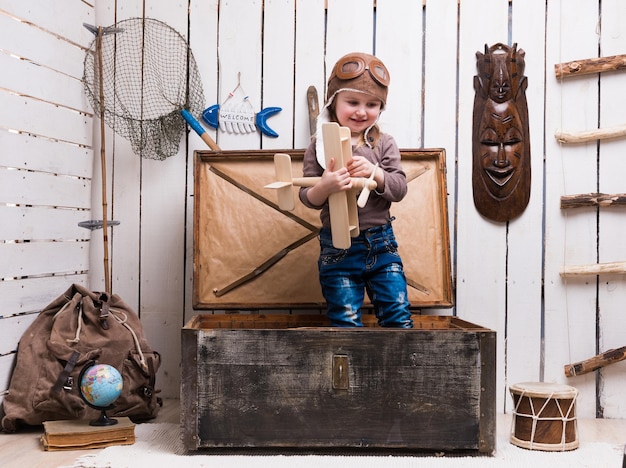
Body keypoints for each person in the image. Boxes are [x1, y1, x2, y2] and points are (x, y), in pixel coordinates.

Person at [299, 52, 413, 328]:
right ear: (333, 102)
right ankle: (349, 371)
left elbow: (398, 189)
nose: (362, 111)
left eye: (372, 104)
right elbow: (308, 197)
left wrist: (376, 173)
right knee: (345, 321)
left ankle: (400, 370)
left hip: (381, 243)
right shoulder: (319, 146)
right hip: (337, 246)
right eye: (352, 102)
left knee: (397, 315)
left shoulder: (383, 144)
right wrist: (325, 186)